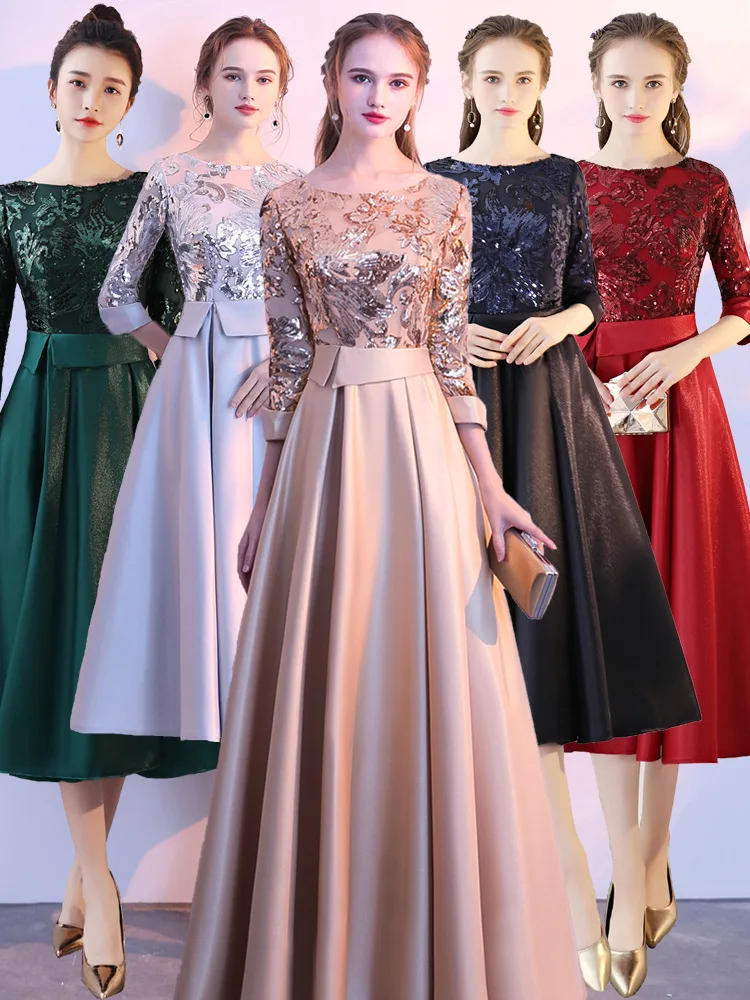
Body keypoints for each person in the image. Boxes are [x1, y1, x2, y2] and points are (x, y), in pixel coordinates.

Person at [174, 14, 586, 1000]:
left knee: (433, 680)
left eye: (398, 82)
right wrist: (263, 504)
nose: (377, 97)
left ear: (419, 92)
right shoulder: (285, 204)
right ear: (331, 82)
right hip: (320, 450)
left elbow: (448, 356)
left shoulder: (446, 200)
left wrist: (490, 487)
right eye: (361, 77)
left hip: (421, 453)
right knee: (322, 683)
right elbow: (287, 360)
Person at [425, 16, 699, 996]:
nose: (506, 90)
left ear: (544, 87)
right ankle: (566, 883)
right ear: (466, 81)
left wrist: (558, 323)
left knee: (561, 626)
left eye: (523, 77)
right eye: (491, 75)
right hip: (455, 404)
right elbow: (410, 299)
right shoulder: (431, 179)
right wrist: (451, 330)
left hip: (551, 403)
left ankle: (617, 883)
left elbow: (591, 293)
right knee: (480, 632)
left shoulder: (564, 179)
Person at [0, 7, 213, 998]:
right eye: (78, 82)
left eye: (112, 88)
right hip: (41, 427)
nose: (92, 100)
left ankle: (90, 882)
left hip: (134, 422)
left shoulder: (151, 194)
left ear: (129, 103)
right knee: (58, 646)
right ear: (52, 90)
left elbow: (172, 322)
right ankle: (97, 880)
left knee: (112, 649)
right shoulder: (9, 204)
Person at [568, 11, 750, 995]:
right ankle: (626, 871)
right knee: (608, 634)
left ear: (676, 86)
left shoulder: (705, 184)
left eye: (652, 82)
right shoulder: (565, 180)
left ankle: (644, 866)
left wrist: (687, 350)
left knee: (671, 630)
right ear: (596, 84)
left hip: (681, 411)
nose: (635, 98)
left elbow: (746, 303)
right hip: (587, 402)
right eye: (620, 81)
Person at [71, 17, 304, 747]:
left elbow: (320, 304)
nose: (248, 90)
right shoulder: (171, 176)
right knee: (203, 537)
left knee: (272, 533)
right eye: (232, 74)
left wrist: (286, 361)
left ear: (282, 91)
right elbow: (116, 294)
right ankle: (208, 705)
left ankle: (273, 712)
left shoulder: (299, 186)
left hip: (278, 380)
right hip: (197, 381)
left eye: (263, 77)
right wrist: (174, 348)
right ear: (205, 84)